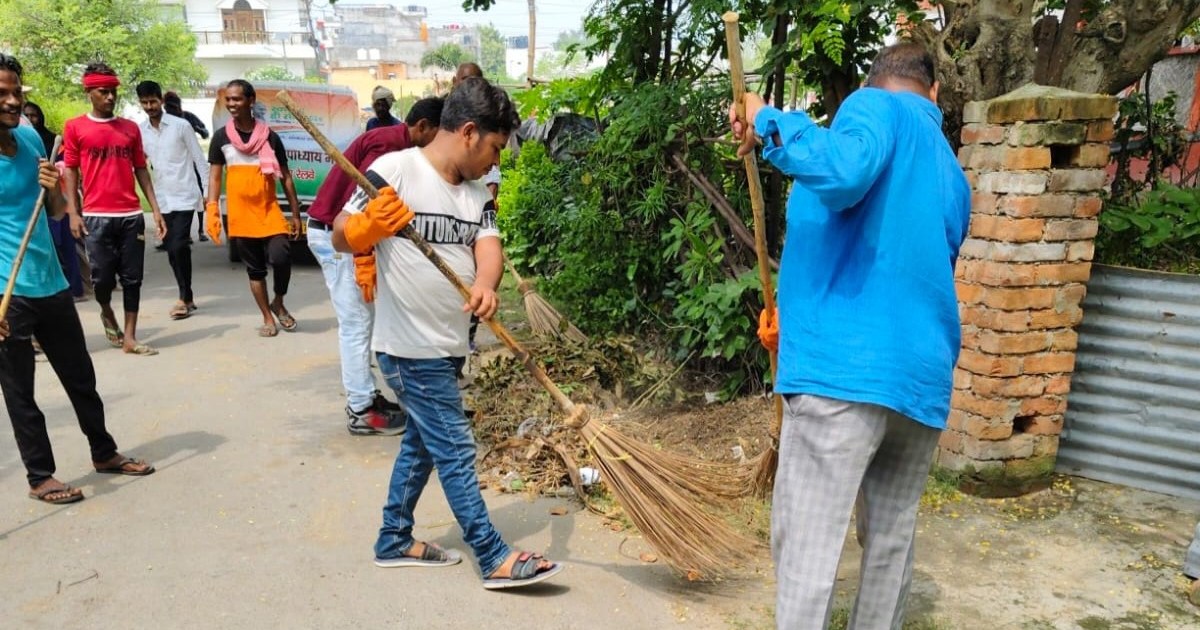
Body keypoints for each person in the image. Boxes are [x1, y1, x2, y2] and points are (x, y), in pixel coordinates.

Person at [731, 42, 971, 629]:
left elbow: (842, 171)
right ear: (934, 93)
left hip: (844, 376)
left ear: (876, 82)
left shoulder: (874, 108)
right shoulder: (952, 172)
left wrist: (766, 119)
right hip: (919, 386)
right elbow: (904, 266)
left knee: (810, 553)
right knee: (889, 545)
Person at [333, 78, 562, 589]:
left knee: (421, 444)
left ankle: (393, 537)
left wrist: (485, 283)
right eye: (495, 149)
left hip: (448, 344)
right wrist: (369, 228)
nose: (495, 162)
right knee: (455, 446)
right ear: (468, 132)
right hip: (407, 346)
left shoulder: (477, 193)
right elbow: (340, 234)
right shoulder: (394, 170)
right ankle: (492, 554)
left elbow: (488, 247)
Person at [0, 54, 154, 505]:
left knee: (80, 376)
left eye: (16, 92)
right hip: (6, 291)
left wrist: (51, 187)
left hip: (49, 281)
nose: (13, 101)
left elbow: (51, 211)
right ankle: (40, 475)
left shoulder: (29, 140)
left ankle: (104, 452)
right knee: (20, 389)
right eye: (2, 94)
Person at [307, 97, 443, 436]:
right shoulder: (387, 146)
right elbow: (359, 209)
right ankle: (360, 409)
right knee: (355, 325)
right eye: (439, 136)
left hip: (350, 239)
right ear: (422, 127)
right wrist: (364, 255)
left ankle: (367, 395)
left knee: (364, 322)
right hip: (336, 237)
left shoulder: (400, 146)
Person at [63, 61, 167, 357]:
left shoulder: (130, 129)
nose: (110, 97)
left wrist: (155, 209)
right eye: (103, 92)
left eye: (113, 92)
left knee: (133, 278)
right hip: (96, 217)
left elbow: (140, 170)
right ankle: (107, 311)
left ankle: (130, 337)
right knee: (102, 280)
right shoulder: (75, 128)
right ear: (90, 93)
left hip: (130, 216)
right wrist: (73, 211)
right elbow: (70, 170)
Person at [205, 79, 302, 337]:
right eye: (228, 99)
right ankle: (268, 317)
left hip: (269, 211)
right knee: (255, 270)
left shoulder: (269, 136)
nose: (232, 104)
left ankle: (278, 301)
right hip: (240, 214)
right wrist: (212, 208)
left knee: (282, 257)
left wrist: (294, 214)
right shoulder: (221, 138)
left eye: (237, 99)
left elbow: (286, 176)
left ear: (251, 101)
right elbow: (215, 177)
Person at [137, 80, 208, 320]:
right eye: (145, 103)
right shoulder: (141, 131)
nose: (150, 106)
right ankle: (187, 295)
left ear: (161, 100)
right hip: (162, 198)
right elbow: (140, 164)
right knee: (171, 248)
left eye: (153, 101)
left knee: (178, 244)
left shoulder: (181, 126)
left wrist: (207, 192)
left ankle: (183, 295)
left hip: (186, 194)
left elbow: (199, 159)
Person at [164, 91, 211, 241]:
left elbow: (205, 133)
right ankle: (178, 232)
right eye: (168, 107)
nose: (171, 109)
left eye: (173, 106)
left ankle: (200, 230)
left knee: (197, 193)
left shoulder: (188, 117)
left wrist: (197, 129)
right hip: (171, 164)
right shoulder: (163, 121)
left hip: (191, 161)